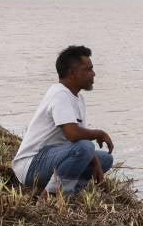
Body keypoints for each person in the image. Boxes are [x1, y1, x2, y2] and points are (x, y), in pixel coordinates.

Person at [12, 45, 115, 197]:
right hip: (31, 165)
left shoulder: (77, 98)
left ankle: (68, 192)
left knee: (105, 159)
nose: (93, 74)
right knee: (86, 148)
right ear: (72, 73)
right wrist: (99, 133)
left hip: (52, 159)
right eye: (88, 69)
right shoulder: (59, 94)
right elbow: (72, 135)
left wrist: (95, 162)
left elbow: (76, 142)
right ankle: (52, 195)